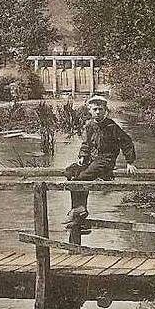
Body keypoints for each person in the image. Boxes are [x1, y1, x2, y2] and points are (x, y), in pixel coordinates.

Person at [64, 95, 137, 232]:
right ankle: (79, 210)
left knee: (82, 178)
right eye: (95, 109)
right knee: (70, 172)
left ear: (105, 111)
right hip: (92, 159)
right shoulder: (90, 125)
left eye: (101, 109)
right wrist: (82, 156)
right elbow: (86, 144)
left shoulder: (111, 126)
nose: (98, 112)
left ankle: (79, 210)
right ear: (90, 111)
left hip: (106, 160)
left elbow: (126, 142)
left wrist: (129, 162)